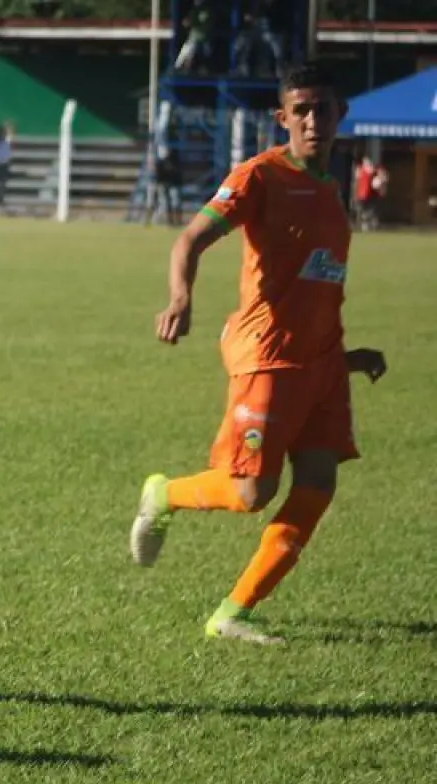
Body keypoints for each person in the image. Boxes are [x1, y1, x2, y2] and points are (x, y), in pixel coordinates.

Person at [130, 62, 388, 645]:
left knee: (318, 483)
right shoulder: (260, 176)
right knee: (251, 493)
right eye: (301, 109)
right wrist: (180, 297)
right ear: (283, 117)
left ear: (340, 112)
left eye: (323, 107)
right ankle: (164, 494)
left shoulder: (329, 186)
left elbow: (317, 283)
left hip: (321, 363)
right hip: (267, 357)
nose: (313, 119)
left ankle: (233, 613)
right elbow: (191, 238)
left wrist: (345, 355)